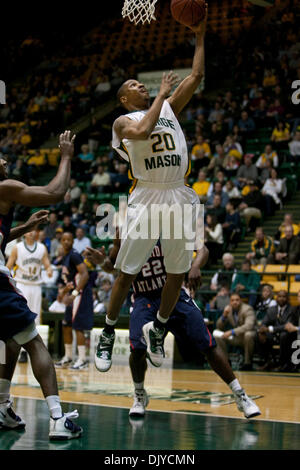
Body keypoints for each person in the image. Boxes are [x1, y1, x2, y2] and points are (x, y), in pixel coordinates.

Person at [95, 10, 208, 371]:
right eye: (133, 85)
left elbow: (196, 75)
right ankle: (109, 332)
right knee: (127, 272)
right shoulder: (122, 122)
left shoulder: (169, 108)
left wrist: (201, 34)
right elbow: (143, 132)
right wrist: (160, 94)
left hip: (178, 193)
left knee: (177, 272)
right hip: (146, 196)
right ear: (124, 99)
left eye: (141, 84)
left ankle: (159, 327)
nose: (139, 86)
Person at [86, 239, 261, 419]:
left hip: (175, 294)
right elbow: (115, 268)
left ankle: (240, 395)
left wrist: (195, 266)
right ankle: (139, 394)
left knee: (207, 344)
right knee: (137, 349)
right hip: (144, 297)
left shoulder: (171, 224)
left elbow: (203, 250)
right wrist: (102, 262)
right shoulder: (126, 230)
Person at [0, 131, 82, 439]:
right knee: (34, 342)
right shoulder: (5, 187)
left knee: (8, 342)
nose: (5, 160)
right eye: (0, 159)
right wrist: (66, 155)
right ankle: (59, 419)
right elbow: (55, 191)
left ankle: (3, 408)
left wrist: (25, 227)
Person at [6, 229, 53, 363]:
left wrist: (49, 270)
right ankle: (20, 351)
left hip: (35, 286)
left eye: (34, 231)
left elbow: (47, 264)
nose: (32, 233)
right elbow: (9, 265)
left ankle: (33, 351)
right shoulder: (17, 248)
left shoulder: (42, 248)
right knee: (20, 317)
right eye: (30, 231)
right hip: (22, 284)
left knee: (36, 318)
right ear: (25, 233)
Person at [55, 232, 94, 370]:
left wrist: (76, 292)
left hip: (81, 294)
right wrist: (63, 293)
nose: (66, 242)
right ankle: (68, 357)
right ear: (61, 241)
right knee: (66, 324)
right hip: (73, 294)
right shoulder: (65, 257)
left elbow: (85, 274)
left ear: (72, 242)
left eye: (69, 239)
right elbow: (70, 280)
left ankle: (82, 359)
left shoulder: (74, 255)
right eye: (64, 239)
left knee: (78, 326)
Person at [256, 290, 298, 372]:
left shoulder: (292, 309)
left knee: (283, 335)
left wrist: (270, 329)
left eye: (284, 297)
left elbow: (287, 326)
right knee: (258, 334)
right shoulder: (272, 309)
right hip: (274, 334)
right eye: (279, 296)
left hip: (289, 335)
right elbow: (264, 323)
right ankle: (267, 361)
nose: (281, 299)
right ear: (276, 298)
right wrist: (262, 330)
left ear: (288, 299)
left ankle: (283, 364)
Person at [213, 293, 256, 371]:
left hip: (247, 337)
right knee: (217, 334)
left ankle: (248, 364)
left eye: (237, 300)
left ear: (241, 301)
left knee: (248, 334)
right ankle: (226, 362)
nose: (235, 302)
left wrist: (232, 331)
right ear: (230, 302)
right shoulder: (228, 309)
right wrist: (224, 315)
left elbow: (249, 326)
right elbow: (219, 326)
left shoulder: (247, 309)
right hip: (236, 337)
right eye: (232, 300)